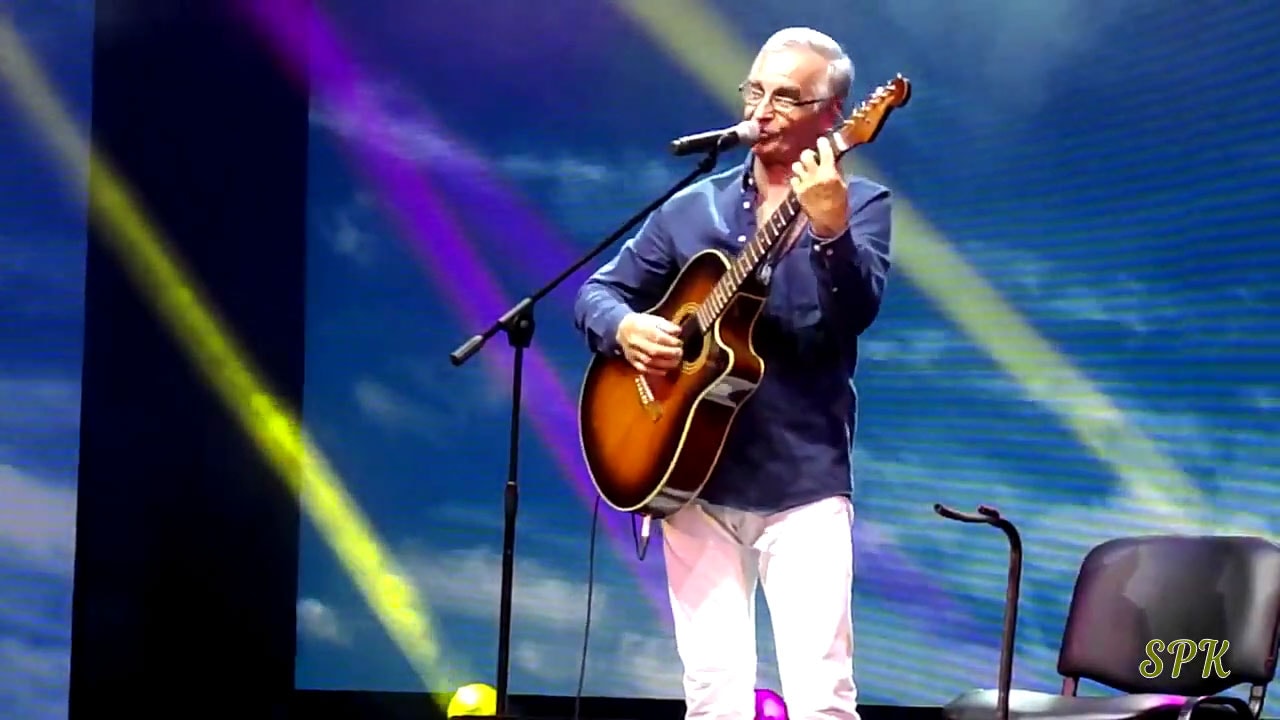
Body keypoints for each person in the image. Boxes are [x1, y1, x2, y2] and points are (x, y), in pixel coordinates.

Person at [572, 27, 892, 720]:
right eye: (755, 92)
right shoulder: (693, 208)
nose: (763, 111)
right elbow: (598, 293)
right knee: (713, 694)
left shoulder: (861, 204)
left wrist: (831, 231)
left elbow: (853, 315)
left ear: (833, 115)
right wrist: (626, 329)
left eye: (786, 97)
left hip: (802, 484)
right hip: (689, 477)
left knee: (822, 695)